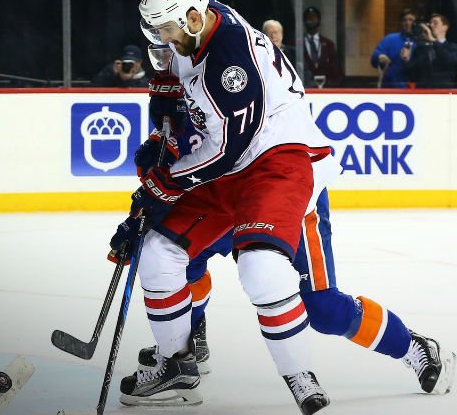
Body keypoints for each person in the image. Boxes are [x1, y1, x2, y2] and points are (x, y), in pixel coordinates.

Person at [123, 82, 456, 402]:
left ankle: (413, 346)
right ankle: (185, 346)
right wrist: (156, 166)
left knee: (323, 310)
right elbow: (181, 139)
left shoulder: (249, 86)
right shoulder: (190, 74)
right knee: (178, 260)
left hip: (284, 198)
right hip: (221, 199)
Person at [117, 0, 341, 414]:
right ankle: (176, 366)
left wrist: (166, 183)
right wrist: (164, 115)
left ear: (193, 19)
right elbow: (180, 89)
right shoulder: (195, 26)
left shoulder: (231, 60)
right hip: (233, 164)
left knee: (261, 267)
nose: (162, 40)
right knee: (160, 252)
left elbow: (225, 149)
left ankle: (301, 376)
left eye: (166, 30)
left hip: (275, 159)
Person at [402, 13, 457, 88]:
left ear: (445, 27)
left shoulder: (452, 47)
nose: (431, 25)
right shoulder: (420, 49)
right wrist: (407, 60)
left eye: (435, 23)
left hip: (445, 92)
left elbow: (449, 62)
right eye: (430, 23)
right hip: (424, 93)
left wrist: (434, 42)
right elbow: (412, 76)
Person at [371, 8, 417, 88]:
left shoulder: (421, 42)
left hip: (414, 89)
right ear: (401, 23)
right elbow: (374, 57)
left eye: (411, 20)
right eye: (404, 20)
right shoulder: (390, 39)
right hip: (391, 87)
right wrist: (380, 57)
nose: (407, 23)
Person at [301, 7, 342, 88]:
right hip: (304, 89)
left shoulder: (329, 44)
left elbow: (336, 70)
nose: (311, 20)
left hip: (326, 90)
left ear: (319, 20)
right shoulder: (296, 44)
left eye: (314, 17)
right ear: (304, 21)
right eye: (308, 18)